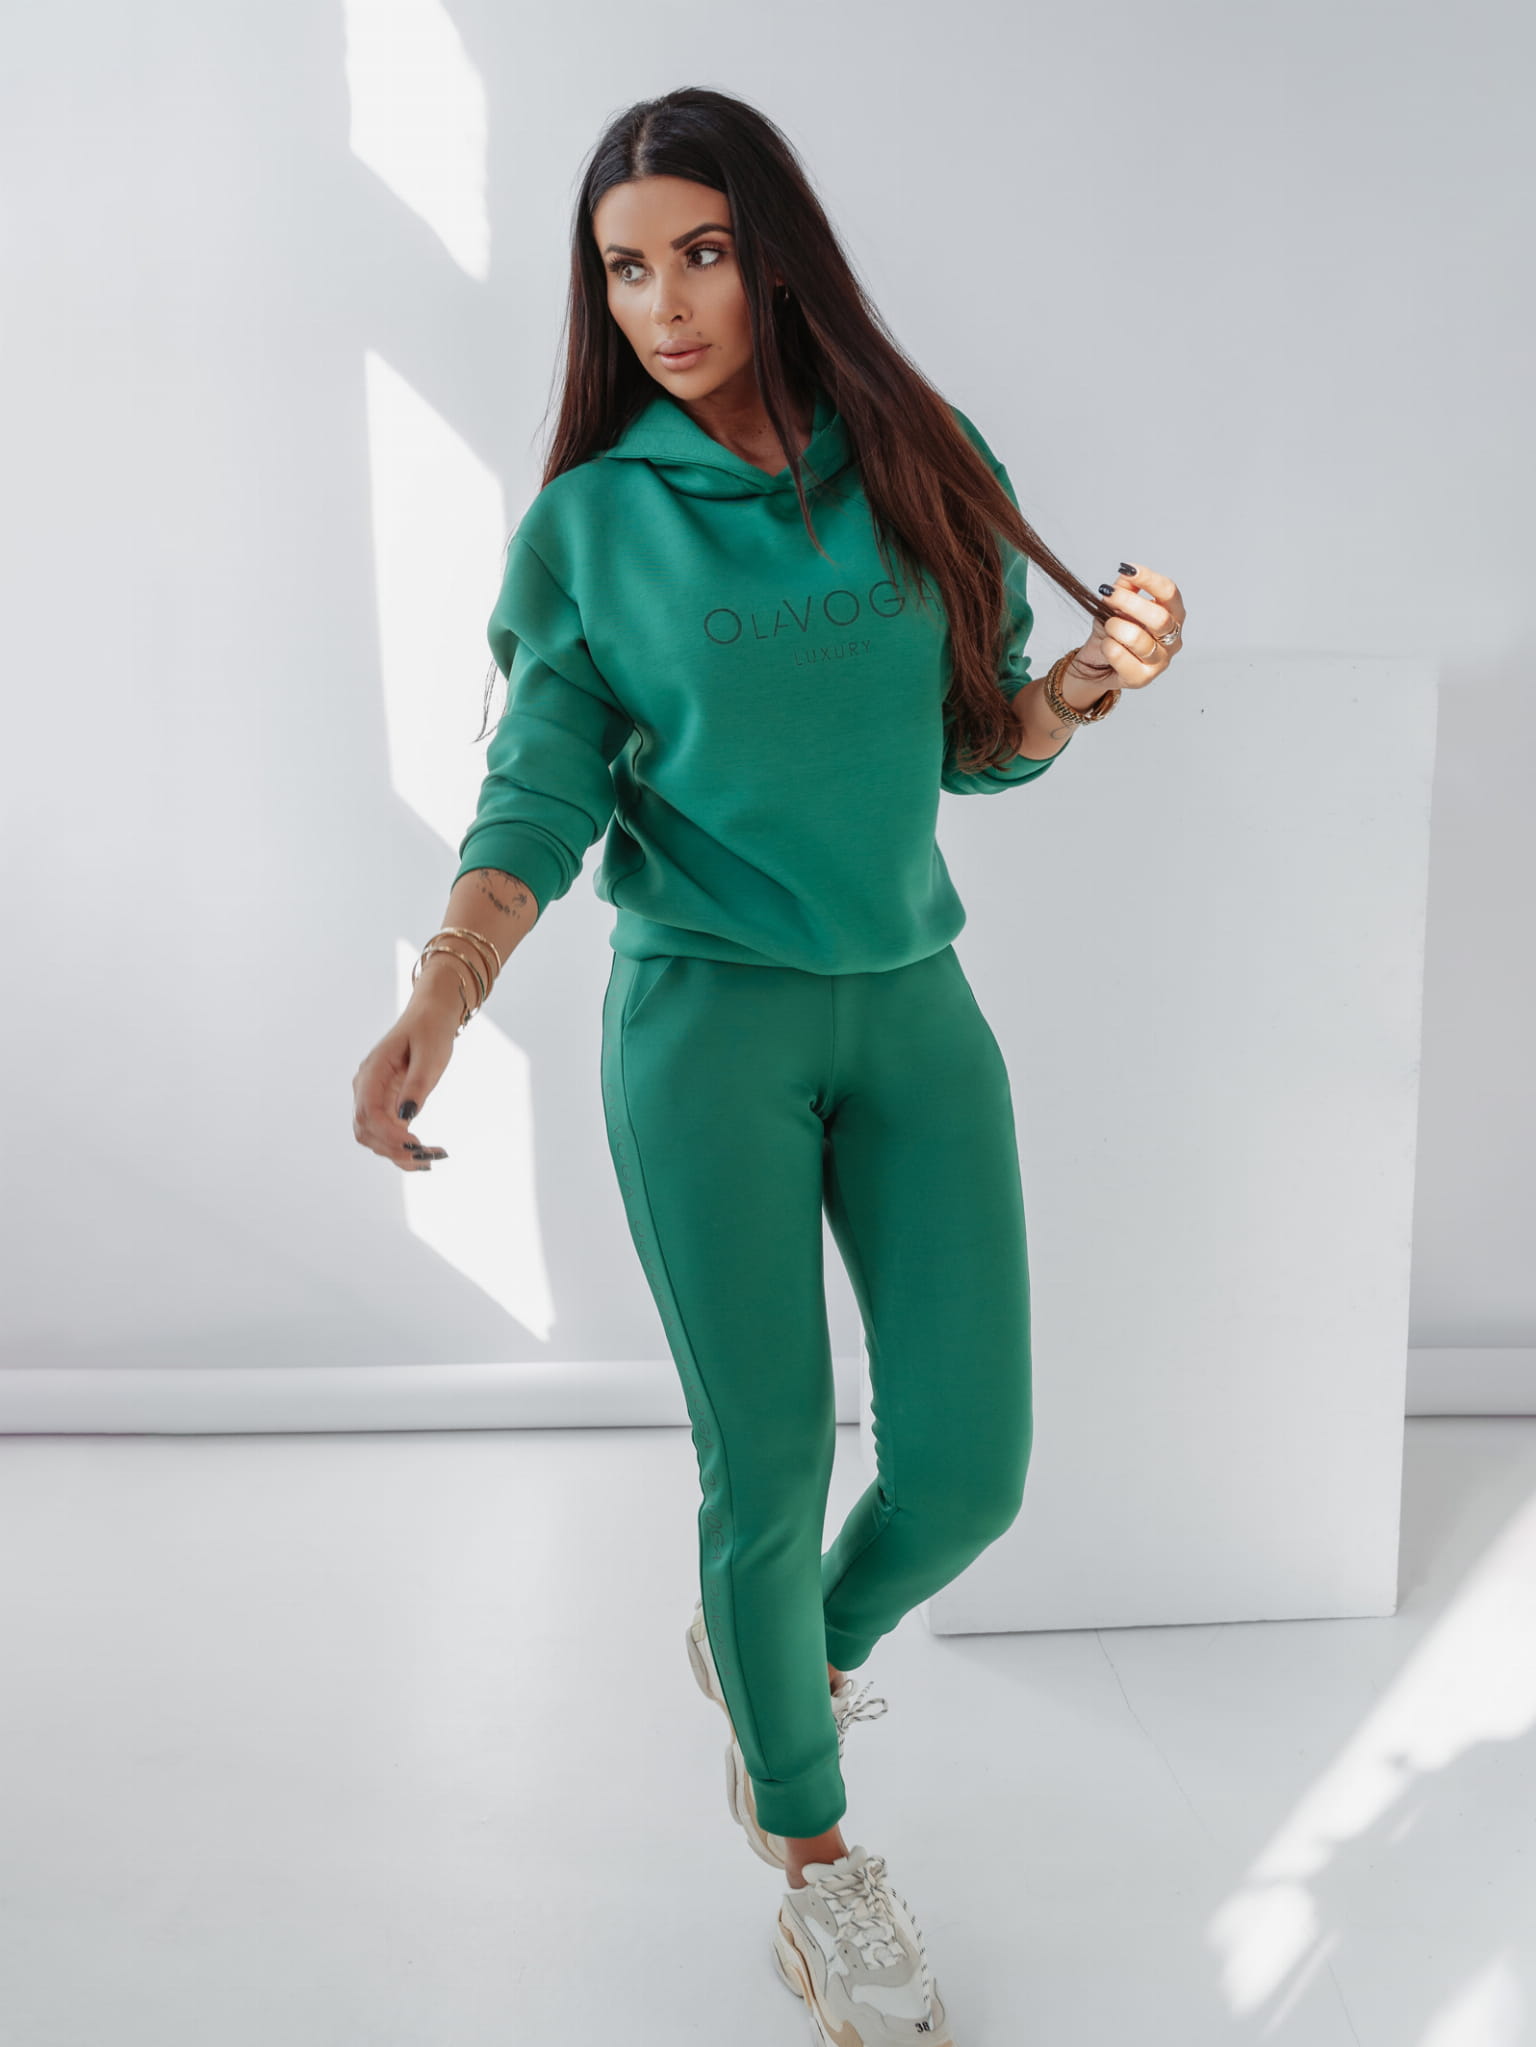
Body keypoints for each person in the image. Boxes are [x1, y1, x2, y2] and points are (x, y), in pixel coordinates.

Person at [353, 85, 1185, 2047]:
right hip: (704, 1032)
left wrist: (1085, 682)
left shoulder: (923, 454)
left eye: (701, 253)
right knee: (775, 1464)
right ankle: (816, 1859)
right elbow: (538, 789)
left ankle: (775, 1660)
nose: (663, 304)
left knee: (968, 1470)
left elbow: (974, 737)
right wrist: (446, 991)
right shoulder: (593, 524)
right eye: (624, 269)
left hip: (916, 1015)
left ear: (776, 256)